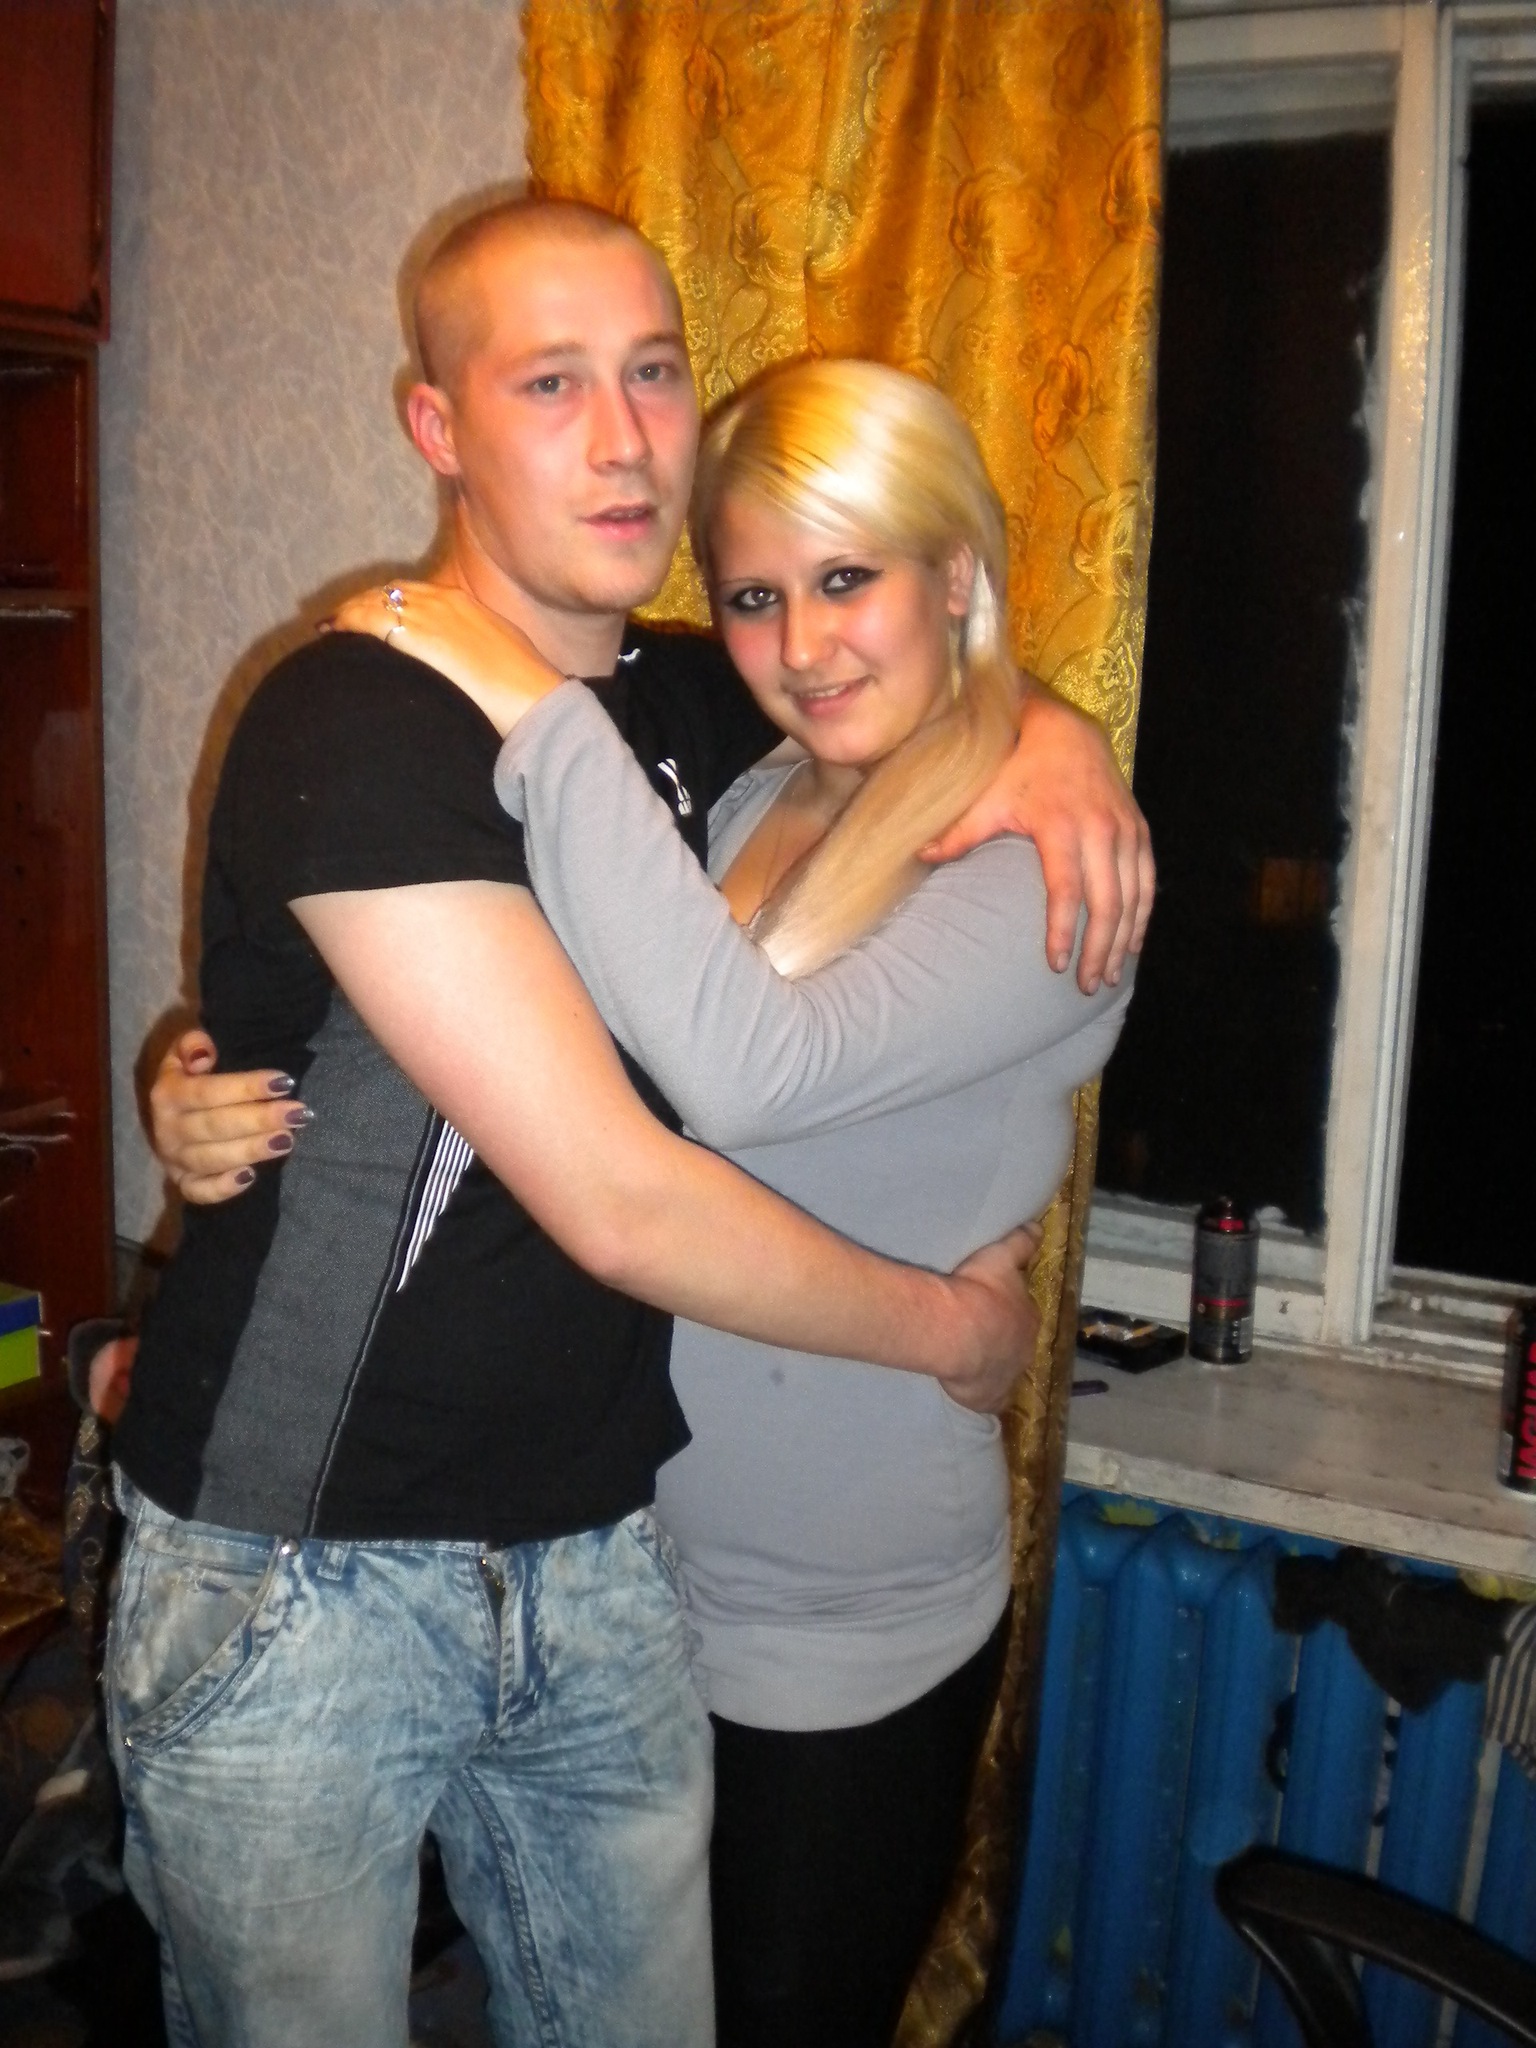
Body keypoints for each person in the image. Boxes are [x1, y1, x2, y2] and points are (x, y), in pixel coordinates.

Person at [152, 353, 1136, 2046]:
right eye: (756, 594)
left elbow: (745, 1070)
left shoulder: (1035, 868)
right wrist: (207, 1079)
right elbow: (518, 1025)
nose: (804, 644)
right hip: (620, 1565)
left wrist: (526, 699)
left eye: (851, 577)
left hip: (835, 1613)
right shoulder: (750, 779)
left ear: (955, 574)